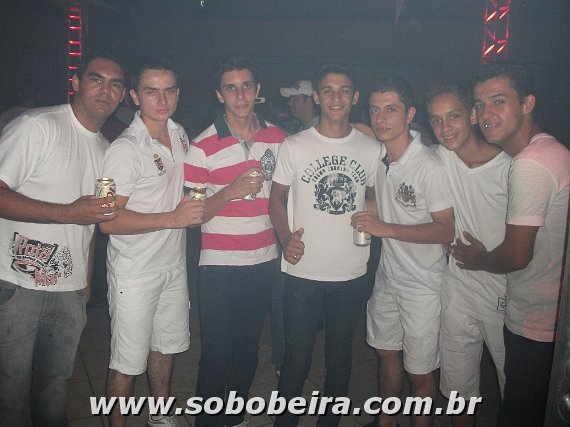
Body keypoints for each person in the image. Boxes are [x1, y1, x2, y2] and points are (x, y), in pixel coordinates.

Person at [0, 51, 126, 427]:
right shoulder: (37, 126)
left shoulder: (107, 151)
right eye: (96, 78)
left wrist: (84, 283)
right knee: (10, 392)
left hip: (68, 291)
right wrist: (67, 212)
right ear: (75, 82)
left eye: (115, 84)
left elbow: (90, 224)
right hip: (16, 285)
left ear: (123, 95)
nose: (105, 90)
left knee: (54, 388)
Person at [451, 61, 570, 427]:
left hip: (540, 324)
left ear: (527, 103)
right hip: (550, 318)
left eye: (499, 101)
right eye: (480, 103)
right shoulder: (549, 152)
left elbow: (517, 255)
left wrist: (478, 258)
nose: (486, 113)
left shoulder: (531, 163)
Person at [270, 64, 381, 427]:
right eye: (328, 90)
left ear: (355, 97)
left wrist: (372, 216)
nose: (336, 97)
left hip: (351, 270)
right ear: (317, 96)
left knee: (340, 358)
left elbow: (372, 195)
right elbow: (276, 198)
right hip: (303, 269)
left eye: (344, 90)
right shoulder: (295, 145)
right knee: (296, 359)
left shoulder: (370, 148)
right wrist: (285, 238)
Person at [100, 56, 204, 427]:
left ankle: (161, 416)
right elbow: (107, 221)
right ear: (134, 96)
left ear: (178, 93)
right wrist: (172, 218)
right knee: (126, 363)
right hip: (134, 273)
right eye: (151, 91)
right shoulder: (124, 149)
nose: (162, 100)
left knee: (166, 347)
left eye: (169, 91)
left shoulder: (179, 133)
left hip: (173, 265)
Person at [184, 52, 286, 427]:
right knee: (216, 355)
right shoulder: (202, 146)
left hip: (264, 262)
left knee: (247, 349)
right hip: (219, 267)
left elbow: (288, 198)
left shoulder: (279, 139)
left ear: (258, 90)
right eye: (231, 88)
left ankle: (234, 415)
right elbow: (192, 215)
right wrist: (230, 191)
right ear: (219, 94)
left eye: (246, 86)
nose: (240, 95)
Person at [352, 77, 454, 427]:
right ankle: (387, 421)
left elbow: (446, 228)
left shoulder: (428, 166)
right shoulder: (381, 157)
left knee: (420, 373)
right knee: (385, 352)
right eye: (375, 110)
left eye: (391, 110)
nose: (381, 118)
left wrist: (386, 228)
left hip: (424, 286)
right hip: (388, 278)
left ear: (410, 114)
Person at [426, 83, 511, 427]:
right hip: (458, 290)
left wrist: (485, 257)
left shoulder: (511, 167)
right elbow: (393, 139)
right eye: (436, 120)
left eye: (453, 117)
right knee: (458, 392)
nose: (445, 128)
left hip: (505, 295)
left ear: (473, 116)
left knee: (515, 390)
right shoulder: (441, 157)